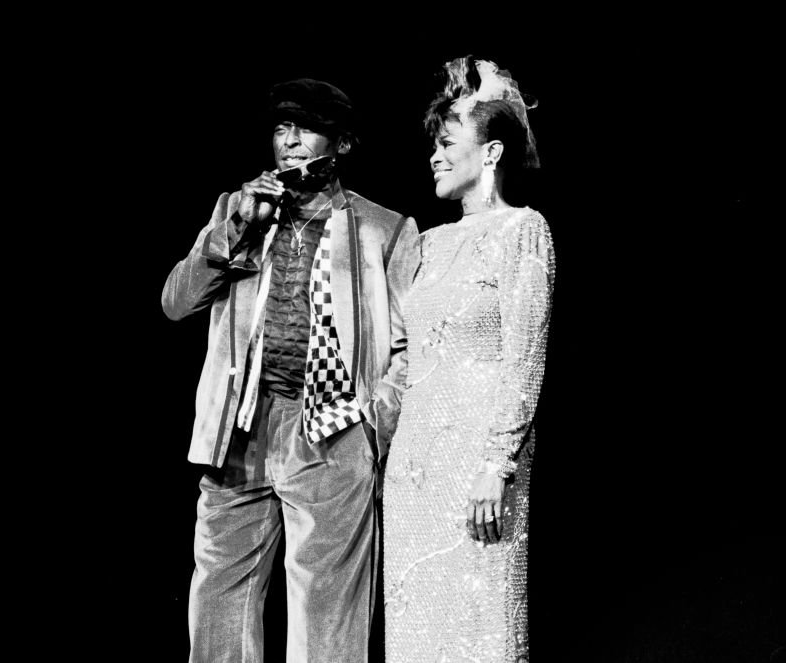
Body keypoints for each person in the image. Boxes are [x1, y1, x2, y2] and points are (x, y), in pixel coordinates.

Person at [162, 78, 420, 663]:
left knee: (328, 621)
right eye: (281, 129)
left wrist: (370, 423)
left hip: (329, 433)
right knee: (218, 608)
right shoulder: (239, 210)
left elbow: (410, 350)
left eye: (304, 129)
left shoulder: (385, 228)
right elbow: (176, 302)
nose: (290, 142)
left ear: (343, 143)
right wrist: (236, 230)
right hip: (241, 431)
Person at [382, 56, 555, 662]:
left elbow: (524, 356)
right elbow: (401, 356)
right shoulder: (425, 244)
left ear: (491, 153)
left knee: (479, 628)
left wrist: (497, 464)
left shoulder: (523, 231)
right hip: (413, 473)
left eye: (448, 142)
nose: (434, 155)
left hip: (479, 470)